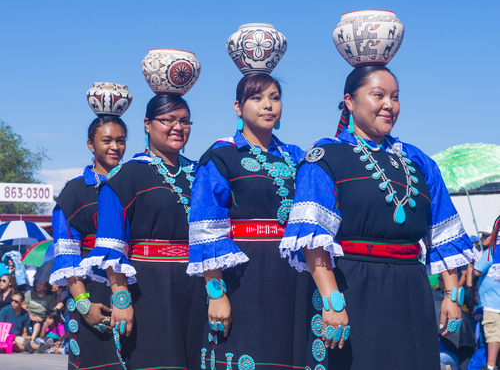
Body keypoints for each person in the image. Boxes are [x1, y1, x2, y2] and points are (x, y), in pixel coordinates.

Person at [280, 65, 477, 370]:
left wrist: (452, 294)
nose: (389, 104)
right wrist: (331, 300)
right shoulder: (325, 157)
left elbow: (441, 233)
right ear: (349, 101)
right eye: (378, 95)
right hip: (352, 287)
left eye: (395, 97)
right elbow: (313, 237)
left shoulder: (419, 161)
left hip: (411, 289)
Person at [188, 73, 310, 369]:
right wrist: (216, 294)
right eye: (257, 98)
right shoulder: (221, 157)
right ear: (238, 107)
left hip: (293, 278)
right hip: (242, 278)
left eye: (275, 98)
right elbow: (206, 230)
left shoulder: (297, 157)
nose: (267, 105)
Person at [80, 94, 206, 370]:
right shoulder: (124, 178)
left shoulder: (201, 174)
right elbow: (112, 248)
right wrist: (121, 300)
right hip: (148, 292)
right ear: (147, 124)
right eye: (168, 120)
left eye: (185, 121)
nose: (177, 127)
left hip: (197, 289)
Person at [49, 114, 128, 369]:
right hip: (90, 296)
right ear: (90, 144)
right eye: (106, 140)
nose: (114, 147)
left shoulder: (133, 183)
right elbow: (67, 256)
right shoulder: (74, 192)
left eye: (121, 140)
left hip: (130, 293)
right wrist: (84, 305)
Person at [475, 216, 500, 370]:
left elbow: (477, 271)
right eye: (482, 235)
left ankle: (490, 366)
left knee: (492, 334)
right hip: (493, 302)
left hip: (492, 304)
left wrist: (476, 259)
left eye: (487, 235)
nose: (483, 238)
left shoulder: (492, 251)